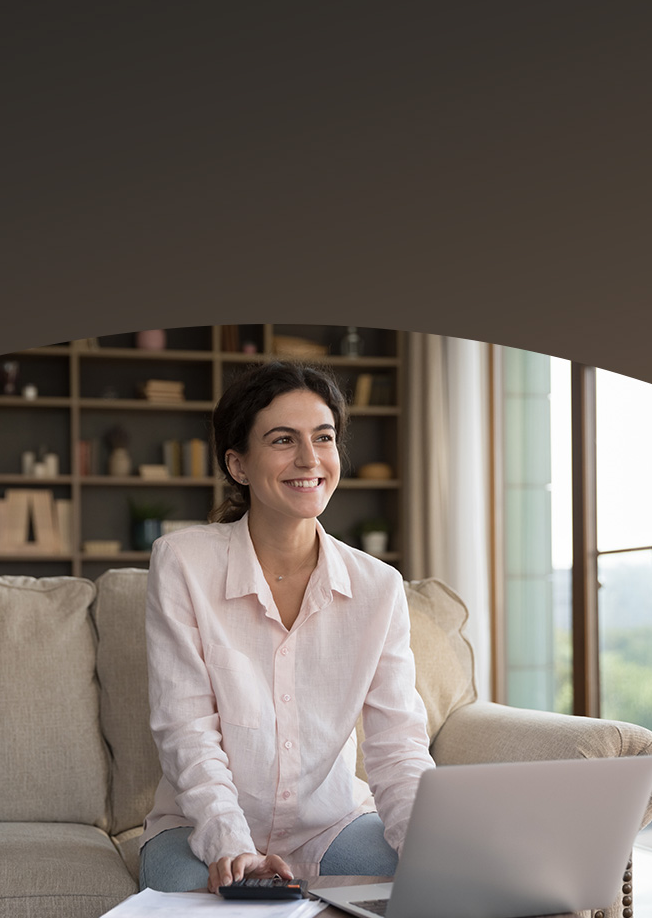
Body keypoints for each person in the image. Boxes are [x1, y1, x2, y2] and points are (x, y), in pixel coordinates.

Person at [138, 359, 434, 894]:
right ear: (238, 464)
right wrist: (231, 844)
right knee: (202, 901)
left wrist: (429, 848)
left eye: (323, 437)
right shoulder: (182, 562)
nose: (309, 459)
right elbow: (185, 728)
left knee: (429, 886)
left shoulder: (379, 586)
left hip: (332, 826)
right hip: (200, 827)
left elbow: (398, 745)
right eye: (282, 440)